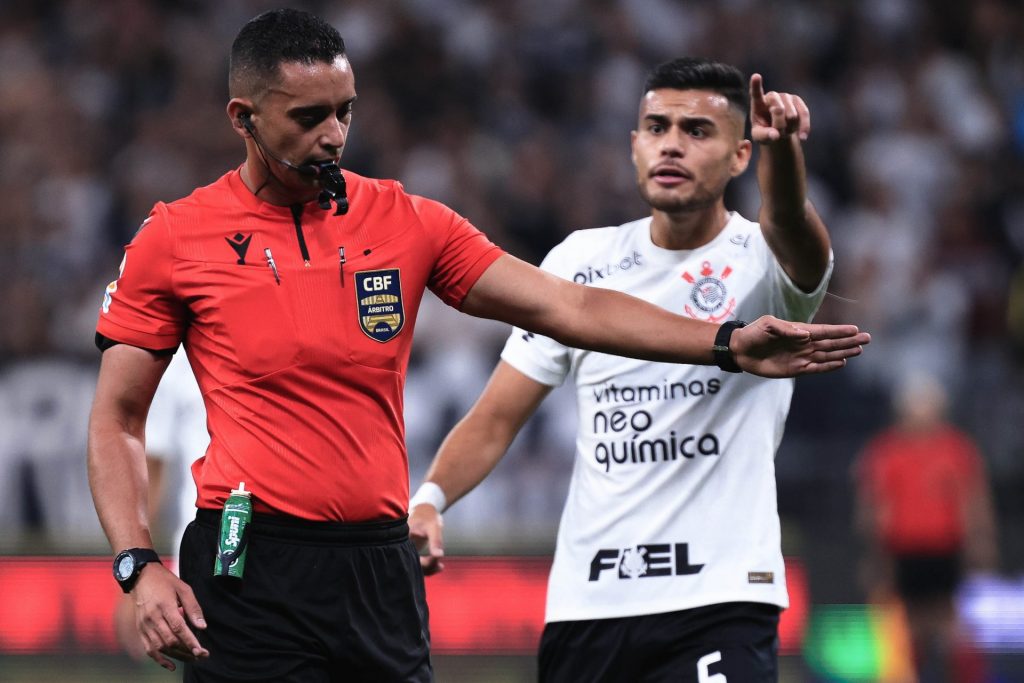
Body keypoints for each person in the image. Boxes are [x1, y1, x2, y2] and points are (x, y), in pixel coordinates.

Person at [86, 11, 867, 682]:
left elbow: (568, 304)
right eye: (309, 117)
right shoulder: (175, 237)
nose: (334, 135)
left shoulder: (406, 220)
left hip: (379, 568)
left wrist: (724, 343)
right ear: (243, 117)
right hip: (248, 559)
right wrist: (137, 564)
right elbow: (118, 419)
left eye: (346, 112)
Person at [410, 57, 836, 682]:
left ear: (741, 155)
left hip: (719, 599)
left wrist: (785, 162)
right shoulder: (582, 261)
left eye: (697, 131)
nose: (671, 143)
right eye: (656, 126)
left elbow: (795, 233)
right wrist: (430, 499)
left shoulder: (761, 263)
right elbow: (497, 416)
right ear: (634, 145)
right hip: (588, 607)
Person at [853, 372, 996, 682]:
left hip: (944, 549)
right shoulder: (886, 451)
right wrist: (876, 556)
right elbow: (875, 506)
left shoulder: (956, 449)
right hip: (903, 551)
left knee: (949, 625)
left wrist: (980, 545)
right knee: (906, 628)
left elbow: (972, 501)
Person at [114, 348, 206, 660]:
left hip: (297, 548)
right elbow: (150, 470)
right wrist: (138, 572)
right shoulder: (179, 358)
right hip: (204, 559)